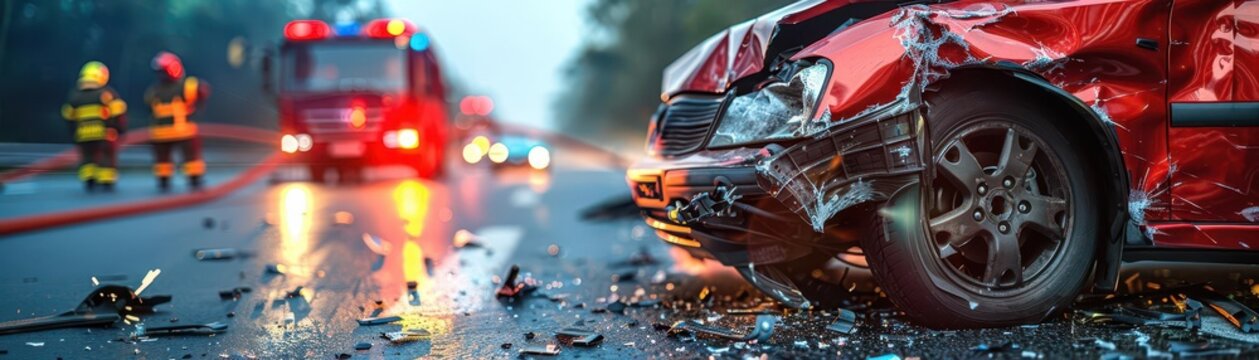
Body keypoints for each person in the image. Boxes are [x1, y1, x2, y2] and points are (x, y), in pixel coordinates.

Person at [144, 51, 210, 191]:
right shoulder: (187, 85)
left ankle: (164, 181)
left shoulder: (153, 91)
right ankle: (194, 179)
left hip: (160, 133)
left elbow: (148, 106)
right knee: (191, 156)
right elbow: (203, 91)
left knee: (163, 159)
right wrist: (199, 106)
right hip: (183, 131)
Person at [61, 61, 127, 192]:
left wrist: (73, 133)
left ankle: (89, 180)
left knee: (87, 157)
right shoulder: (106, 94)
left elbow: (68, 116)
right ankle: (106, 181)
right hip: (105, 134)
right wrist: (120, 129)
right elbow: (118, 112)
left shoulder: (75, 96)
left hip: (83, 135)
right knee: (106, 156)